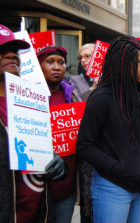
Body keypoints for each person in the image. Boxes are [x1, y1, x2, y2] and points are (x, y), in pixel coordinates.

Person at [76, 36, 140, 223]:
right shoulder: (101, 99)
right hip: (111, 187)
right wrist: (118, 168)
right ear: (123, 63)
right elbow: (84, 146)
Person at [0, 24, 66, 223]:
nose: (12, 56)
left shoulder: (31, 100)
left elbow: (38, 149)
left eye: (15, 51)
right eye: (2, 51)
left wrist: (55, 161)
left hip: (39, 213)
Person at [37, 46, 78, 223]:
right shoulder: (28, 95)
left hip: (66, 189)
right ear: (39, 66)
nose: (56, 67)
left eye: (61, 63)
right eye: (50, 62)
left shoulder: (73, 97)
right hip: (37, 187)